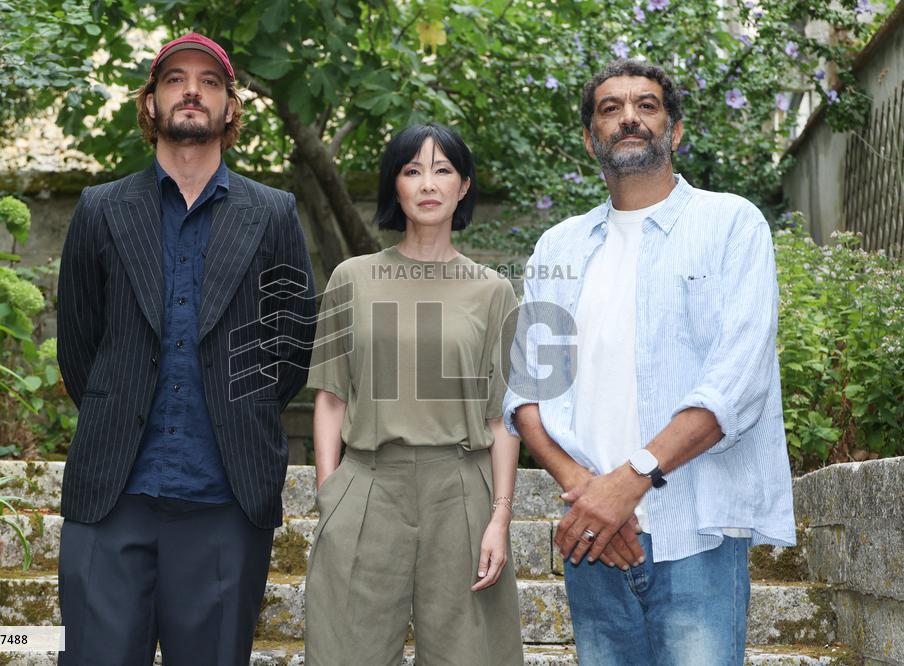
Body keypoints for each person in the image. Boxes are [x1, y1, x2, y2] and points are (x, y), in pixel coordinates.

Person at [504, 59, 796, 665]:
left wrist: (627, 482)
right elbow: (526, 395)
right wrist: (591, 494)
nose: (629, 117)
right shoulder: (557, 247)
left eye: (647, 104)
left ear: (675, 129)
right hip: (594, 538)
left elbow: (734, 387)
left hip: (697, 537)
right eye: (610, 108)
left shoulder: (731, 225)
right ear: (591, 139)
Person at [56, 33, 315, 665]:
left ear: (230, 107)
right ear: (151, 103)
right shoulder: (100, 209)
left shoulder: (274, 214)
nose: (192, 90)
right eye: (175, 79)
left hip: (225, 498)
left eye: (210, 81)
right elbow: (79, 348)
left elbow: (291, 344)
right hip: (112, 497)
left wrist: (241, 412)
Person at [303, 123, 523, 665]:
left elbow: (502, 420)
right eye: (412, 170)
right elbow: (330, 397)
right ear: (394, 186)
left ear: (464, 186)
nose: (428, 183)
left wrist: (499, 517)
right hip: (369, 485)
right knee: (344, 653)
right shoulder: (350, 279)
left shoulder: (495, 291)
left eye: (443, 170)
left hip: (462, 492)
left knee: (470, 655)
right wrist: (330, 496)